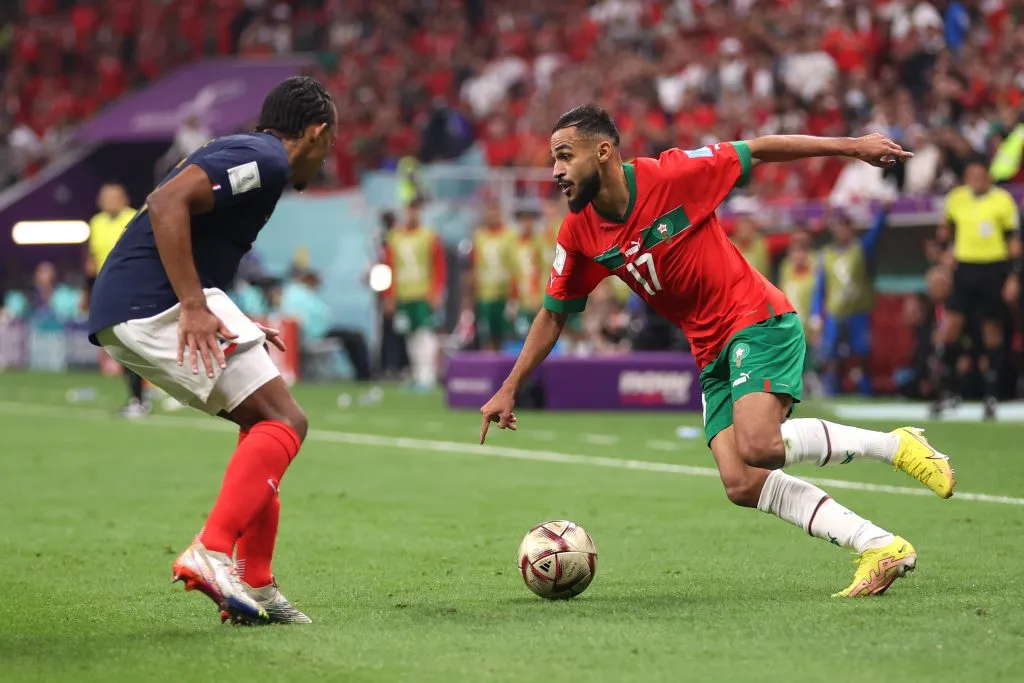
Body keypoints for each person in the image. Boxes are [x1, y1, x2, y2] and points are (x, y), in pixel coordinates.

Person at [479, 104, 955, 598]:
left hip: (755, 320)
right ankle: (878, 545)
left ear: (603, 153)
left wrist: (853, 148)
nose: (555, 171)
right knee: (742, 482)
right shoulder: (578, 233)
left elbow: (761, 149)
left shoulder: (675, 175)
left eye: (564, 156)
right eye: (552, 159)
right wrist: (509, 387)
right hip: (708, 349)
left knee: (759, 445)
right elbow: (553, 313)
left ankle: (896, 446)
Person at [87, 76, 337, 625]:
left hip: (136, 302)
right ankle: (214, 549)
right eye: (329, 146)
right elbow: (166, 201)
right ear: (316, 133)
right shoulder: (265, 158)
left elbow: (198, 236)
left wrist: (232, 316)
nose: (324, 162)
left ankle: (259, 582)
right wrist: (195, 306)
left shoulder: (251, 157)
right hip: (151, 300)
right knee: (285, 421)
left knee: (264, 428)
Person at [932, 158, 1021, 420]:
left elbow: (1014, 241)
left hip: (993, 269)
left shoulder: (1002, 200)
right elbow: (944, 231)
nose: (976, 179)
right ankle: (948, 392)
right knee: (950, 329)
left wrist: (1014, 276)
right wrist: (943, 256)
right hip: (965, 270)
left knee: (992, 331)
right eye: (971, 174)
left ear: (988, 176)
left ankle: (991, 396)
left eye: (981, 174)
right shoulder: (957, 198)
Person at [810, 205, 889, 396]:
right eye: (837, 226)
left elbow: (875, 237)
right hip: (834, 314)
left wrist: (883, 213)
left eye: (844, 226)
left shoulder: (859, 249)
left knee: (860, 355)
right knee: (831, 357)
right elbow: (820, 287)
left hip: (858, 313)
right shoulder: (826, 254)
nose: (840, 230)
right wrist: (816, 314)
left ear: (851, 228)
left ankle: (866, 393)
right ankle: (832, 394)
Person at [86, 183, 145, 417]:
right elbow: (92, 259)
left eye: (114, 196)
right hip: (106, 291)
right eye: (105, 197)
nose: (110, 201)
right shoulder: (96, 223)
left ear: (124, 198)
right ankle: (138, 397)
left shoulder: (136, 218)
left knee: (132, 345)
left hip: (133, 289)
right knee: (119, 347)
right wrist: (88, 292)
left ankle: (139, 399)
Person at [382, 198, 446, 389]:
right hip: (403, 295)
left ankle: (427, 375)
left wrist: (437, 291)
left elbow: (439, 266)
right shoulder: (395, 237)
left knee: (424, 333)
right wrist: (389, 294)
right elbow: (389, 267)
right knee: (409, 335)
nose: (412, 214)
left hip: (423, 294)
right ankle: (418, 375)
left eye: (416, 210)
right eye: (410, 210)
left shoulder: (429, 236)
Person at [468, 198, 516, 350]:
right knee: (486, 336)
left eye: (496, 211)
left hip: (503, 295)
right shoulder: (479, 237)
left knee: (503, 336)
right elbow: (473, 267)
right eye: (491, 211)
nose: (493, 215)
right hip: (485, 296)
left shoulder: (510, 237)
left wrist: (514, 296)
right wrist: (471, 297)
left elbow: (515, 267)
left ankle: (502, 369)